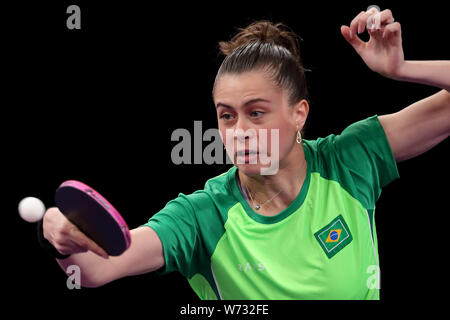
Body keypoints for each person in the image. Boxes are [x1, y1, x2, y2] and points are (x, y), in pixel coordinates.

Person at [41, 8, 450, 299]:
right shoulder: (204, 217)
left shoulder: (350, 161)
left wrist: (402, 69)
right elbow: (93, 272)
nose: (239, 133)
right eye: (226, 116)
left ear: (298, 113)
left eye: (256, 113)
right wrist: (65, 237)